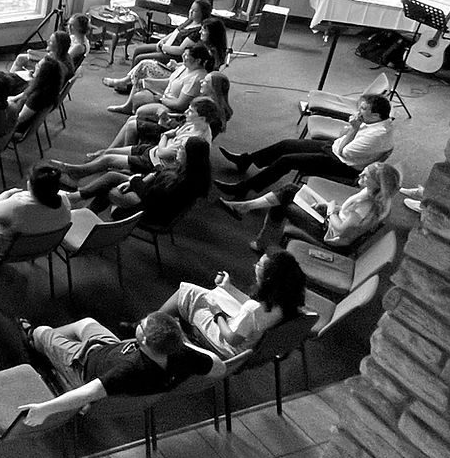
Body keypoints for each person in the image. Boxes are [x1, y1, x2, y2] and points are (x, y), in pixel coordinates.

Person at [17, 308, 223, 426]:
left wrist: (44, 409)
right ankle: (50, 347)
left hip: (83, 363)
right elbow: (219, 367)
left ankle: (37, 343)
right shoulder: (182, 356)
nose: (139, 324)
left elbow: (88, 392)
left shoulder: (128, 370)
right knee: (86, 322)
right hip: (111, 347)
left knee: (41, 332)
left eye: (141, 325)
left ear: (144, 341)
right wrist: (183, 343)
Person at [216, 92, 398, 195]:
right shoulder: (375, 121)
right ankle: (246, 160)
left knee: (286, 161)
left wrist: (354, 129)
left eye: (363, 109)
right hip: (335, 148)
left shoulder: (377, 135)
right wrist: (352, 128)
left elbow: (344, 151)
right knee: (286, 145)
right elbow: (341, 136)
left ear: (375, 115)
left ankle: (244, 188)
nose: (358, 111)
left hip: (342, 164)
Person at [61, 96, 225, 202]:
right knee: (108, 153)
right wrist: (167, 138)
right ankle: (78, 175)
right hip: (151, 151)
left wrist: (164, 137)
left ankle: (76, 175)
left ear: (202, 117)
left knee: (108, 159)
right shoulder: (194, 124)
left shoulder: (192, 139)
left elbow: (163, 152)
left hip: (153, 161)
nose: (187, 112)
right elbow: (173, 134)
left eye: (191, 111)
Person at [221, 160, 402, 255]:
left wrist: (330, 210)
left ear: (377, 184)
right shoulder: (374, 195)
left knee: (282, 205)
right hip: (331, 223)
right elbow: (351, 217)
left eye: (366, 175)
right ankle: (246, 208)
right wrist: (332, 207)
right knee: (291, 189)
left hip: (328, 235)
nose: (361, 174)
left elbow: (341, 229)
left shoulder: (366, 205)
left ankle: (261, 241)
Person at [164, 251, 309, 357]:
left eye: (259, 265)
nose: (255, 266)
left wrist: (217, 314)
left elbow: (231, 339)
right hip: (246, 344)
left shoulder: (253, 309)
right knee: (206, 294)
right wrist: (228, 287)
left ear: (269, 277)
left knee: (187, 293)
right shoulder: (285, 304)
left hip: (226, 349)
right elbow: (254, 308)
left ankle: (153, 330)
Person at [86, 137, 213, 219]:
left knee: (109, 188)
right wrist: (143, 178)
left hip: (149, 213)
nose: (177, 150)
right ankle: (85, 206)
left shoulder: (177, 181)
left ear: (189, 155)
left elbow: (148, 197)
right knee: (113, 177)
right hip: (154, 203)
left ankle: (90, 213)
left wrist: (134, 180)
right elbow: (159, 174)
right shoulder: (193, 173)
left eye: (181, 148)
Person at [0, 162, 72, 250]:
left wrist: (7, 193)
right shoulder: (64, 204)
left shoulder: (16, 207)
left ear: (30, 185)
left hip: (10, 251)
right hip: (42, 248)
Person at [107, 43, 216, 118]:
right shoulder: (185, 66)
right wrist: (147, 81)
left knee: (140, 108)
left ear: (197, 61)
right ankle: (129, 108)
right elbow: (169, 81)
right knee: (139, 92)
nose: (183, 56)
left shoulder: (196, 79)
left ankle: (137, 121)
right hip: (165, 96)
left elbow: (180, 105)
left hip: (171, 107)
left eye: (186, 55)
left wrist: (161, 99)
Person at [123, 0, 212, 68]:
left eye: (195, 11)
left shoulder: (198, 30)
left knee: (140, 58)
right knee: (138, 50)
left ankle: (131, 82)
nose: (191, 12)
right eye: (191, 9)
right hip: (166, 46)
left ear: (202, 13)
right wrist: (162, 41)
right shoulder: (190, 21)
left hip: (173, 55)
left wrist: (164, 47)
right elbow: (175, 32)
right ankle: (129, 78)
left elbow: (180, 50)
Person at [9, 31, 70, 132]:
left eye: (38, 68)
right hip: (27, 93)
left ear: (42, 74)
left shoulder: (37, 97)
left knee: (0, 85)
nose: (48, 41)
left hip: (12, 129)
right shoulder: (49, 85)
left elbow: (19, 119)